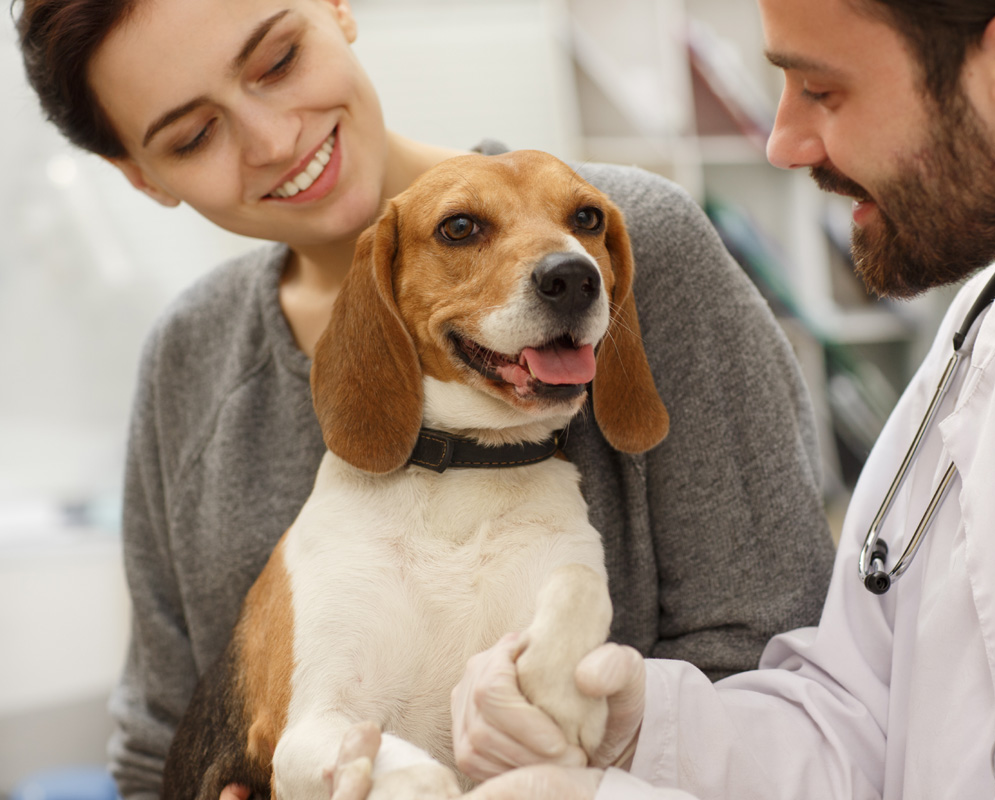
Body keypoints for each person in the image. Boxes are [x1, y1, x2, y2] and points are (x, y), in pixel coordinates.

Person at [13, 1, 837, 798]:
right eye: (193, 135)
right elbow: (157, 746)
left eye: (278, 60)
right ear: (139, 175)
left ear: (336, 6)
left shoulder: (640, 241)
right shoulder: (186, 359)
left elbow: (781, 670)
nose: (273, 140)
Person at [440, 0, 995, 797]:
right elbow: (856, 719)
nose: (783, 143)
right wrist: (643, 729)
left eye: (822, 90)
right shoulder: (991, 329)